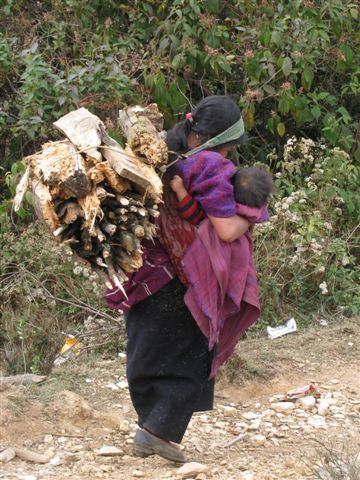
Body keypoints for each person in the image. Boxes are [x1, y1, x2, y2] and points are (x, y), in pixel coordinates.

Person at [106, 95, 263, 463]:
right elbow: (225, 230)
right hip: (180, 276)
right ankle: (155, 432)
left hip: (140, 269)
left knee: (148, 350)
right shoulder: (209, 165)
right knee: (191, 356)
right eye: (229, 148)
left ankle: (150, 428)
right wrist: (252, 214)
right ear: (221, 142)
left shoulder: (164, 154)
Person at [169, 168, 273, 377]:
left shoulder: (222, 211)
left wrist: (180, 191)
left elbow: (194, 216)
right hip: (233, 271)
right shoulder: (251, 214)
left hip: (213, 268)